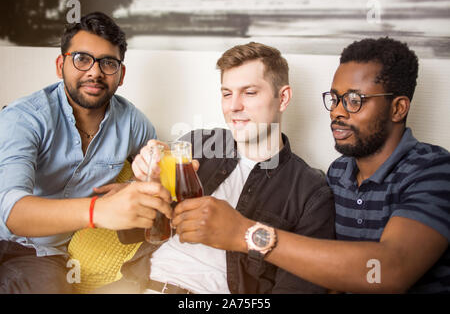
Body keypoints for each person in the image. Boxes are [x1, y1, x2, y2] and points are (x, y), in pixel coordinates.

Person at [173, 37, 450, 293]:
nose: (337, 111)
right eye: (335, 98)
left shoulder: (434, 171)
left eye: (355, 100)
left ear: (398, 108)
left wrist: (244, 234)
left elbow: (390, 270)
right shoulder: (339, 174)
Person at [108, 42, 335, 294]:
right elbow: (130, 232)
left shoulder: (310, 192)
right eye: (227, 93)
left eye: (249, 93)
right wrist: (147, 187)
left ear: (282, 98)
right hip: (137, 286)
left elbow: (299, 289)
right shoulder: (195, 145)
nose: (233, 106)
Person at [0, 12, 172, 294]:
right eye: (82, 59)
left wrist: (150, 172)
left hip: (42, 255)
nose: (94, 72)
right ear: (60, 65)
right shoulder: (24, 117)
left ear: (121, 73)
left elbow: (158, 169)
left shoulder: (134, 123)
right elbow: (12, 210)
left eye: (108, 63)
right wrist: (97, 211)